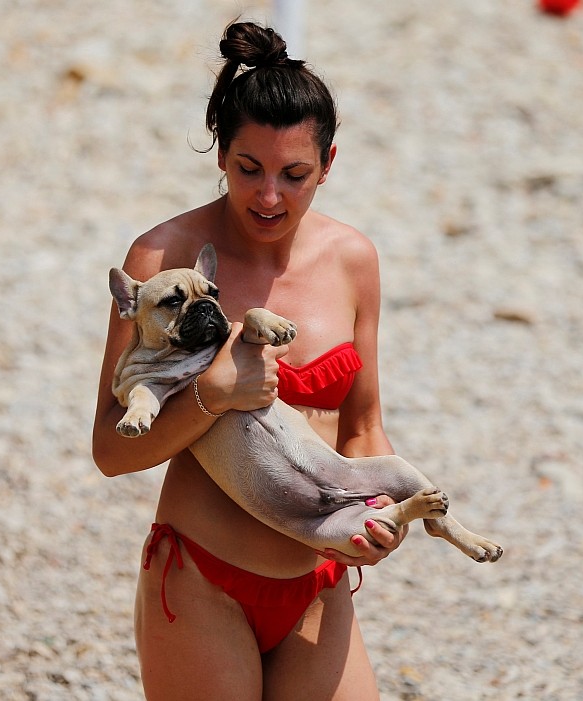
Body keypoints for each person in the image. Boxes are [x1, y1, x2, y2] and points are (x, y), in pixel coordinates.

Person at [92, 21, 405, 701]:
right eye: (248, 169)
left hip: (319, 580)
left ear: (328, 163)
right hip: (201, 581)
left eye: (295, 175)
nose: (268, 197)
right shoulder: (162, 259)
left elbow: (363, 426)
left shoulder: (353, 260)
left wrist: (381, 513)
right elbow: (110, 451)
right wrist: (212, 394)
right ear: (220, 152)